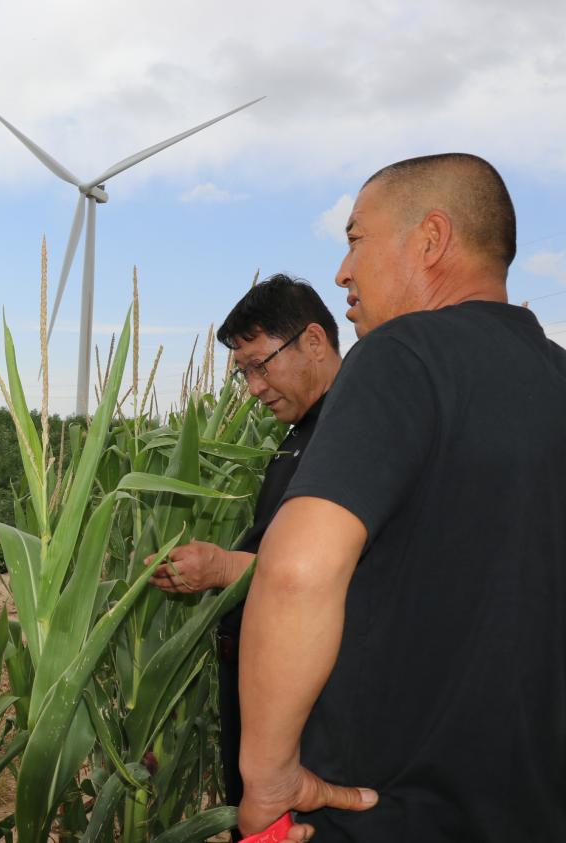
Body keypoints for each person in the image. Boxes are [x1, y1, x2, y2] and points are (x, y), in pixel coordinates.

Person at [238, 153, 566, 841]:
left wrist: (268, 776)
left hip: (382, 813)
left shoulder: (399, 355)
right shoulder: (556, 376)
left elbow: (298, 569)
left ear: (430, 239)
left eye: (355, 238)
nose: (342, 271)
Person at [147, 275, 341, 820]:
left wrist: (225, 566)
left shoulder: (349, 435)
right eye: (243, 374)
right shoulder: (302, 432)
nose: (253, 387)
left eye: (260, 365)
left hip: (308, 709)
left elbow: (334, 568)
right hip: (263, 691)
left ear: (313, 341)